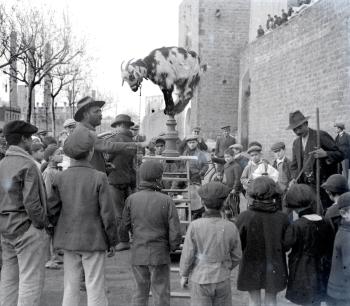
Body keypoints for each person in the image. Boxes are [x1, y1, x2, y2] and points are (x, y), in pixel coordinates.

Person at [48, 128, 118, 306]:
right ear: (91, 152)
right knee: (95, 285)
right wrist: (112, 241)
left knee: (70, 286)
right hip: (94, 240)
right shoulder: (99, 177)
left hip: (68, 240)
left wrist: (55, 237)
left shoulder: (60, 177)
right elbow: (108, 214)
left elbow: (53, 211)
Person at [0, 120, 50, 306]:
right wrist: (41, 224)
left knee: (8, 280)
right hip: (26, 228)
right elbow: (32, 202)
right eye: (29, 138)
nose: (31, 142)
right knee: (30, 281)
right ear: (23, 139)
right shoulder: (28, 165)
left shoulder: (2, 163)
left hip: (5, 228)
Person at [121, 160, 182, 306]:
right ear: (159, 178)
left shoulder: (131, 199)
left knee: (139, 292)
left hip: (139, 252)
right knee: (161, 292)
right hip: (160, 253)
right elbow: (175, 230)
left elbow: (124, 225)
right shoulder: (167, 200)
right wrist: (173, 246)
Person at [180, 182, 242, 306]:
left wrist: (184, 275)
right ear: (224, 203)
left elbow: (188, 255)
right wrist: (224, 266)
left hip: (200, 277)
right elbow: (237, 256)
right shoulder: (230, 227)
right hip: (222, 278)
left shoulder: (194, 226)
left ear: (202, 202)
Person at [236, 176, 289, 306]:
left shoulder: (244, 217)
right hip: (275, 264)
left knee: (253, 300)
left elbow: (238, 244)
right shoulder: (282, 218)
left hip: (250, 264)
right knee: (271, 300)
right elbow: (286, 245)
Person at [284, 184, 334, 306]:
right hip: (323, 268)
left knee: (306, 301)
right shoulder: (326, 221)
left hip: (303, 269)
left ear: (295, 208)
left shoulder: (297, 225)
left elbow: (286, 246)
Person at [287, 110, 344, 212]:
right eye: (294, 129)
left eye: (299, 127)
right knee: (310, 213)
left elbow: (340, 154)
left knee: (324, 212)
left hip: (321, 185)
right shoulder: (296, 143)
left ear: (306, 124)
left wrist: (326, 154)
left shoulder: (320, 136)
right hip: (305, 186)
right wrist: (294, 178)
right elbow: (294, 165)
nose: (297, 131)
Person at [64, 96, 137, 174]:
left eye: (100, 111)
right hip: (90, 182)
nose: (100, 114)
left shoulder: (83, 131)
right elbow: (109, 146)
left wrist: (104, 166)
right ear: (85, 115)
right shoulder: (84, 133)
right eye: (96, 112)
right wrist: (137, 145)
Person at [108, 114, 137, 252]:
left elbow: (107, 156)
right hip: (129, 179)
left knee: (118, 212)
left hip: (114, 179)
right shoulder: (132, 141)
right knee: (129, 210)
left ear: (119, 125)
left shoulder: (115, 140)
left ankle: (123, 240)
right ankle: (133, 237)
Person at [327, 192, 350, 306]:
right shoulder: (347, 236)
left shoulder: (343, 229)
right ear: (343, 213)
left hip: (337, 290)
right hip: (343, 293)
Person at [42, 145, 63, 269]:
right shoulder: (48, 172)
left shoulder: (56, 171)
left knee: (55, 232)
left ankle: (55, 256)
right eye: (58, 153)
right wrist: (49, 210)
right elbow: (48, 193)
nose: (60, 155)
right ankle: (48, 259)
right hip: (51, 208)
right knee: (48, 234)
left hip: (56, 207)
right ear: (51, 157)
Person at [183, 135, 209, 219]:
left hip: (196, 177)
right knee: (187, 196)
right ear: (187, 144)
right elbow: (181, 163)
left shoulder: (200, 153)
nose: (192, 144)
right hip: (186, 177)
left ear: (197, 143)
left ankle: (198, 215)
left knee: (197, 196)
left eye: (193, 142)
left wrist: (201, 173)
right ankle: (188, 215)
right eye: (190, 143)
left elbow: (205, 165)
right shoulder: (185, 152)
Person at [222, 148, 243, 218]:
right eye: (225, 157)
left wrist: (235, 188)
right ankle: (229, 219)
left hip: (234, 190)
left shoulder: (236, 166)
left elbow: (238, 179)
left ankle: (237, 219)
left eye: (228, 157)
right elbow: (225, 177)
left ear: (233, 156)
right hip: (227, 189)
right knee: (226, 205)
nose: (226, 159)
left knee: (234, 206)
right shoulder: (225, 165)